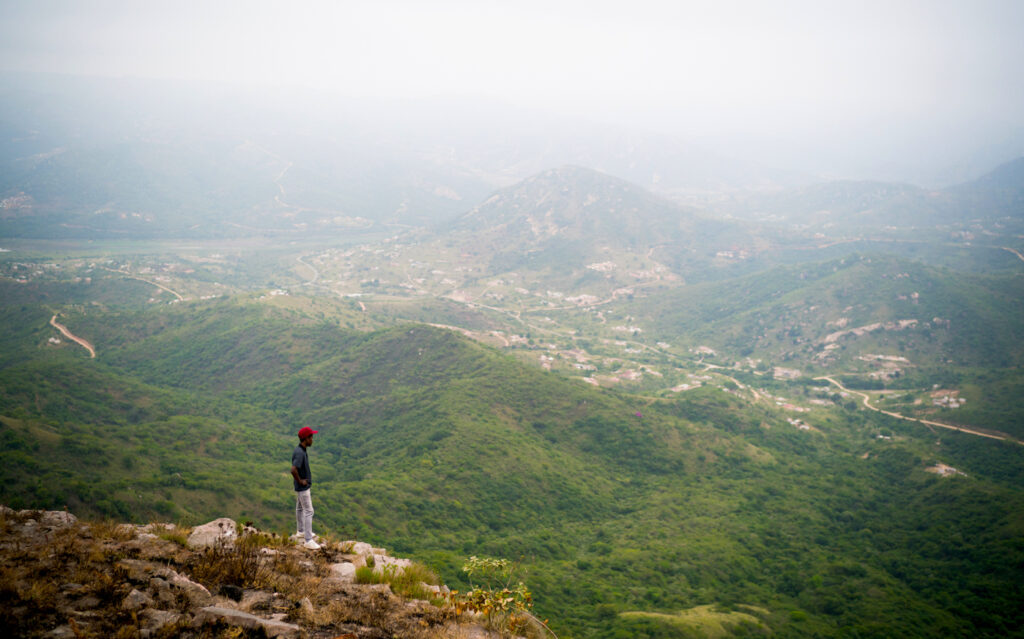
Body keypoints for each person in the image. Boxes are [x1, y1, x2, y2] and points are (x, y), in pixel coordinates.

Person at [291, 426, 321, 549]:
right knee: (309, 511)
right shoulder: (300, 453)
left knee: (299, 508)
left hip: (300, 487)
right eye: (311, 437)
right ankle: (308, 540)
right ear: (306, 438)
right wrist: (301, 481)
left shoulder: (301, 450)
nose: (312, 440)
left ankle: (301, 531)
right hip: (303, 488)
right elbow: (293, 469)